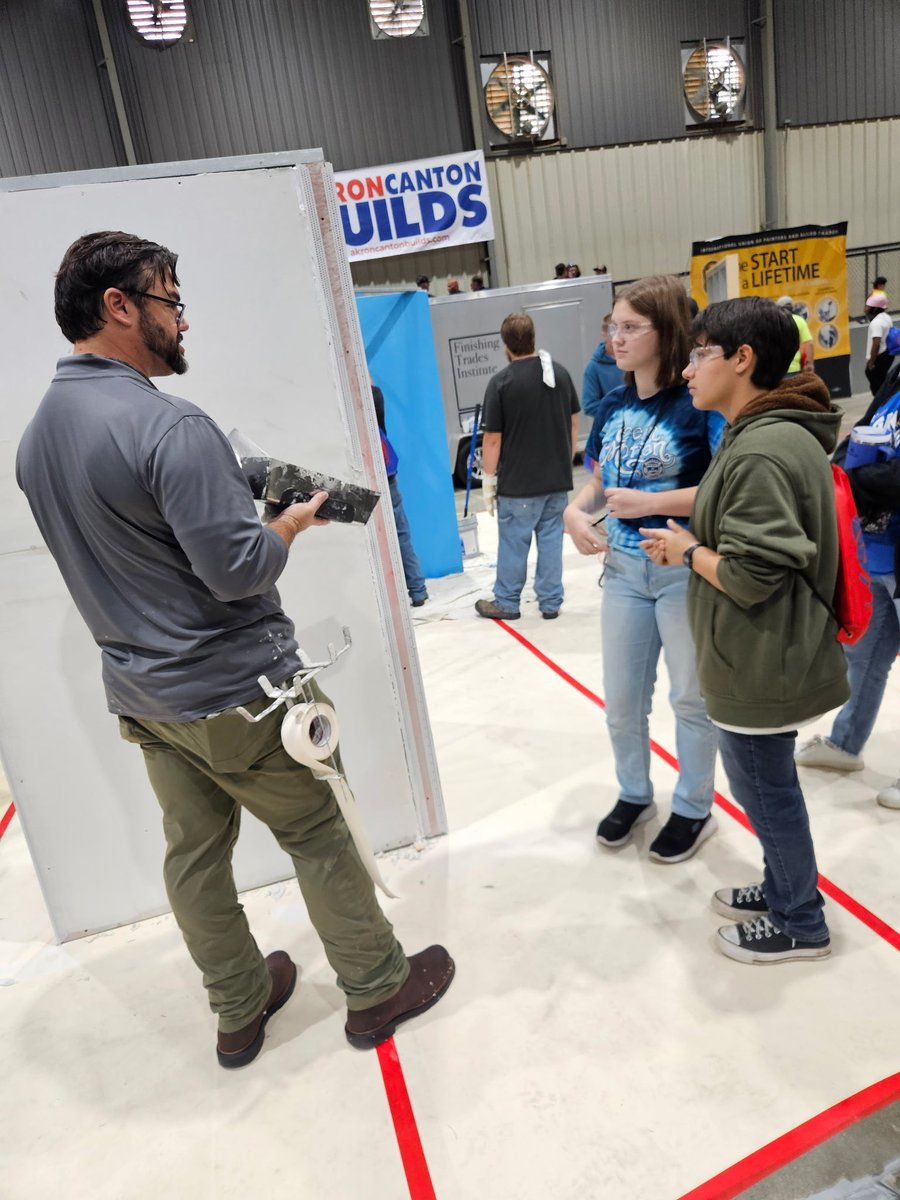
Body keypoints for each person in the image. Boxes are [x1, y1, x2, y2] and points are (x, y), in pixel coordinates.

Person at [16, 231, 454, 1067]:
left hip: (148, 702)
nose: (184, 322)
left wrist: (228, 480)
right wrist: (290, 518)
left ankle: (239, 1004)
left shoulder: (36, 440)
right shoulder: (172, 426)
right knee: (319, 833)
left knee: (194, 857)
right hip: (242, 697)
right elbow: (238, 570)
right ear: (119, 306)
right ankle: (375, 986)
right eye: (171, 302)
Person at [640, 296, 848, 963]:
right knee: (768, 788)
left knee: (766, 791)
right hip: (759, 652)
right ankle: (786, 885)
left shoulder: (761, 449)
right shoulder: (765, 433)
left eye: (700, 354)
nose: (689, 368)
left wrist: (687, 554)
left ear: (743, 359)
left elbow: (756, 575)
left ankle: (799, 921)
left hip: (762, 658)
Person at [564, 275, 721, 864]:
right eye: (613, 325)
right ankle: (635, 792)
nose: (616, 337)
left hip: (684, 570)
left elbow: (721, 489)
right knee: (623, 700)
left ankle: (693, 806)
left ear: (666, 331)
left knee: (690, 699)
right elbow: (602, 483)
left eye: (631, 326)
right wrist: (576, 513)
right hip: (626, 573)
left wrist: (652, 503)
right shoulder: (611, 406)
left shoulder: (696, 402)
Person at [795, 351, 900, 808]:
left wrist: (849, 480)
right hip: (878, 547)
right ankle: (845, 744)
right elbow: (864, 430)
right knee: (864, 656)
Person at [475, 312, 579, 621]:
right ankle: (550, 602)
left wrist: (489, 482)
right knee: (550, 542)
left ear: (505, 344)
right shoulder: (559, 374)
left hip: (519, 486)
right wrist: (565, 461)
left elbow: (492, 440)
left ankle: (507, 602)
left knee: (513, 543)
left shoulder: (501, 383)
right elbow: (573, 422)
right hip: (557, 481)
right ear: (533, 337)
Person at [372, 382, 428, 607]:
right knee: (402, 534)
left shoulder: (346, 404)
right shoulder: (375, 396)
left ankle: (385, 600)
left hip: (368, 478)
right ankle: (417, 590)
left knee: (373, 540)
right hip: (388, 474)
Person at [582, 312, 625, 420]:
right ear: (604, 333)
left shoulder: (635, 360)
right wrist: (622, 409)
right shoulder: (593, 368)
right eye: (612, 333)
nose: (617, 338)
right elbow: (589, 406)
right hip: (612, 428)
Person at [865, 292, 894, 395]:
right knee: (882, 383)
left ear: (875, 308)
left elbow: (876, 344)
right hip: (888, 354)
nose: (865, 309)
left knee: (878, 388)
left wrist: (872, 362)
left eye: (868, 306)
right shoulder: (886, 317)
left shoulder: (876, 323)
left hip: (879, 357)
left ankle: (880, 406)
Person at [776, 296, 814, 373]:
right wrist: (809, 364)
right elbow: (808, 345)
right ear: (792, 307)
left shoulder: (774, 322)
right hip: (796, 368)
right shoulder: (800, 321)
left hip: (777, 370)